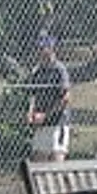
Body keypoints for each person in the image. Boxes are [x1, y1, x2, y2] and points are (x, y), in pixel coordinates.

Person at [23, 34, 73, 162]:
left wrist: (45, 115)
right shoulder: (37, 71)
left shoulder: (59, 69)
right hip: (41, 125)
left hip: (57, 123)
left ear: (51, 49)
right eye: (38, 48)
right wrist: (30, 113)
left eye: (43, 48)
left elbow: (66, 98)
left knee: (56, 163)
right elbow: (33, 96)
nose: (39, 52)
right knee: (38, 162)